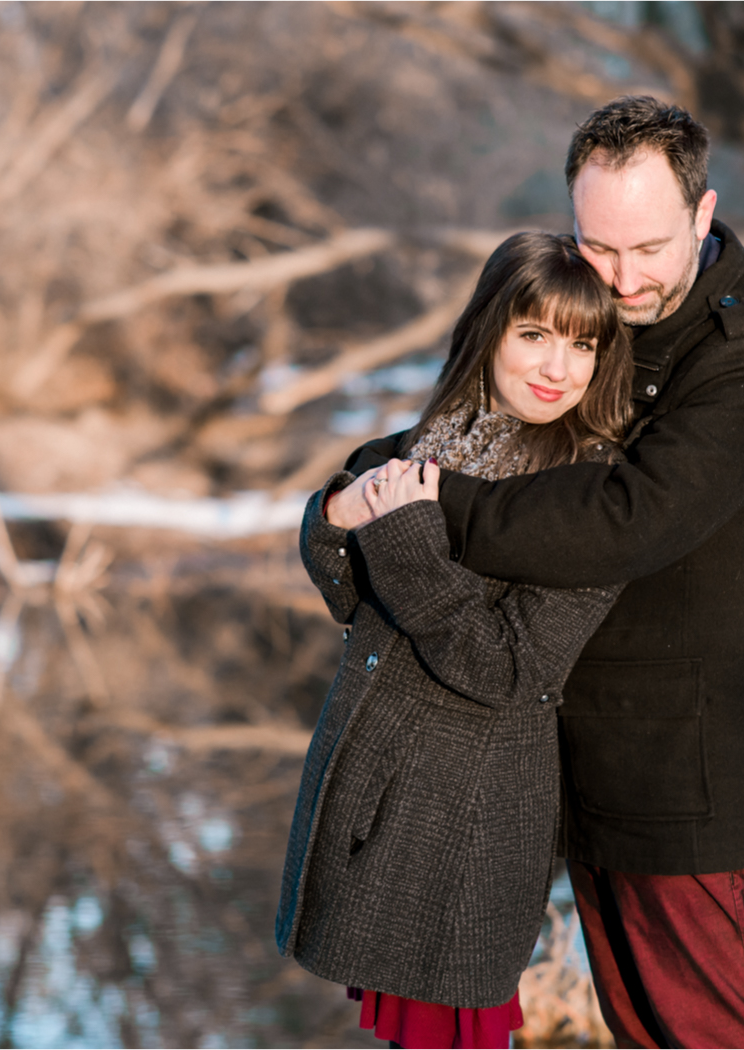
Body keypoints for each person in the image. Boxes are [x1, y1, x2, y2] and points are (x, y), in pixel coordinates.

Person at [331, 97, 744, 1049]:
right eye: (598, 246)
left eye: (648, 248)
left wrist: (425, 505)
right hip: (581, 760)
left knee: (727, 1034)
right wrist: (358, 487)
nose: (623, 278)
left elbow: (626, 520)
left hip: (689, 777)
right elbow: (489, 418)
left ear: (702, 212)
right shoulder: (593, 314)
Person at [276, 232, 633, 1050]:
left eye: (584, 343)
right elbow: (353, 601)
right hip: (386, 791)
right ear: (488, 330)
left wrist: (400, 538)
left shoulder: (593, 492)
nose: (558, 367)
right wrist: (333, 517)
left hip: (467, 817)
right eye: (534, 334)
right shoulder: (442, 439)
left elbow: (510, 668)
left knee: (457, 1034)